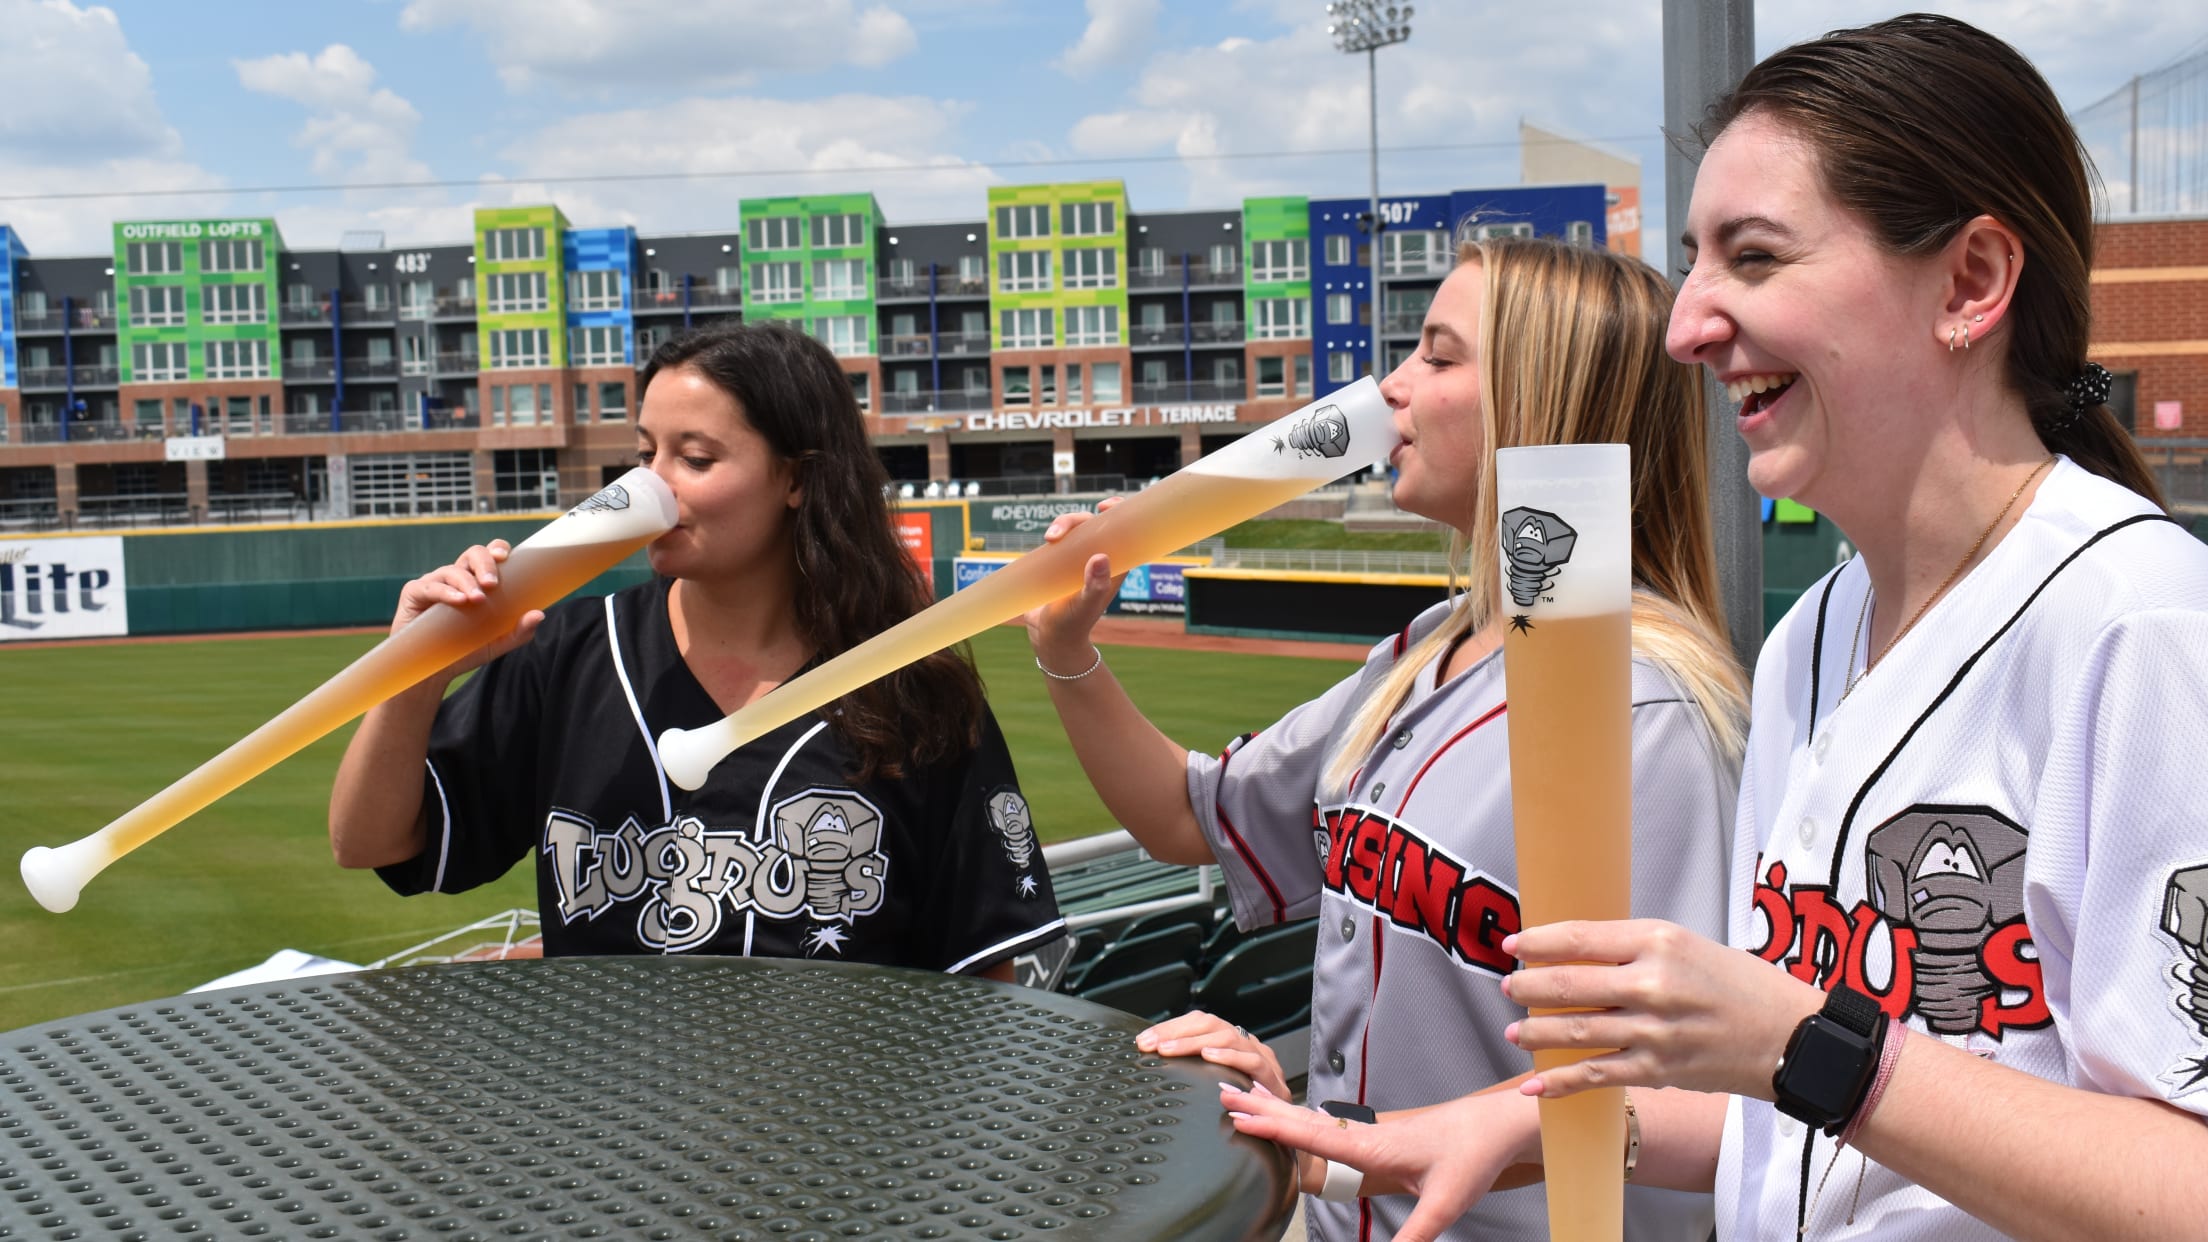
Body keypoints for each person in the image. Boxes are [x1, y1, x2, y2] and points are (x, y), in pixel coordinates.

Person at [1222, 14, 2208, 1242]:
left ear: (1971, 284)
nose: (1689, 323)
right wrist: (1518, 1126)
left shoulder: (2144, 628)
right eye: (1695, 261)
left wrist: (1809, 1045)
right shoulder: (1812, 633)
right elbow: (1802, 1122)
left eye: (1752, 258)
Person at [1025, 235, 1748, 1241]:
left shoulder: (1651, 718)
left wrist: (1334, 1140)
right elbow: (1189, 816)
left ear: (1541, 408)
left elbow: (1690, 1123)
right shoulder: (1427, 650)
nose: (1390, 391)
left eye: (1438, 358)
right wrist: (1068, 654)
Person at [330, 321, 1063, 979]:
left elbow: (984, 971)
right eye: (645, 454)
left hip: (840, 1121)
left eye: (696, 458)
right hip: (609, 1118)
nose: (652, 487)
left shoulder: (909, 685)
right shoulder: (570, 651)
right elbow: (371, 841)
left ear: (798, 478)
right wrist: (413, 674)